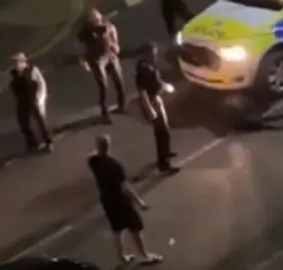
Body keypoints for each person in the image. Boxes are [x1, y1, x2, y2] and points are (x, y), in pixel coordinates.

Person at [88, 135, 163, 265]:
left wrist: (98, 150)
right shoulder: (115, 165)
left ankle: (122, 257)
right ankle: (145, 255)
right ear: (109, 146)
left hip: (107, 200)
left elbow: (91, 154)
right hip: (120, 200)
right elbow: (125, 187)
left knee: (117, 229)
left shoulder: (94, 162)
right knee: (135, 227)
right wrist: (140, 202)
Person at [135, 43, 180, 174]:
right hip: (153, 102)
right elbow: (142, 93)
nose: (155, 56)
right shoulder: (143, 70)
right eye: (152, 53)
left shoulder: (150, 66)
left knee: (164, 130)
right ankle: (164, 164)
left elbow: (157, 81)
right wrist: (150, 110)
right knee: (162, 132)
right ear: (146, 54)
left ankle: (165, 152)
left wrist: (164, 86)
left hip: (157, 100)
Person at [77, 8, 126, 123]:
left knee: (119, 80)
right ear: (90, 20)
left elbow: (115, 38)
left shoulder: (108, 26)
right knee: (103, 86)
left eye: (97, 17)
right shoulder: (86, 32)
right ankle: (105, 112)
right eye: (93, 18)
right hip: (96, 59)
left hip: (109, 55)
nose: (96, 20)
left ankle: (122, 105)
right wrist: (83, 60)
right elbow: (80, 47)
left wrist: (115, 46)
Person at [9, 52, 53, 153]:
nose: (15, 65)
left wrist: (40, 98)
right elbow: (0, 86)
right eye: (14, 63)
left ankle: (48, 141)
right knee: (23, 123)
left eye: (17, 62)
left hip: (33, 99)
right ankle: (32, 143)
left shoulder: (32, 70)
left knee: (40, 121)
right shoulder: (12, 74)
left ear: (23, 62)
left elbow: (42, 84)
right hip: (21, 101)